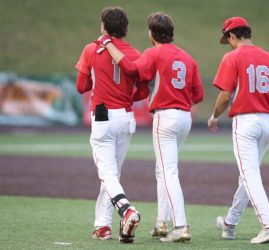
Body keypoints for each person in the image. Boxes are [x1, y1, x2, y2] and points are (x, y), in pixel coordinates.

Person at [98, 11, 204, 243]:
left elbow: (131, 69)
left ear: (152, 33)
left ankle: (181, 226)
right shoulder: (188, 58)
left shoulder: (154, 53)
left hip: (165, 116)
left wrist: (107, 44)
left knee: (168, 172)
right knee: (163, 170)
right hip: (184, 117)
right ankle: (161, 223)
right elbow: (199, 95)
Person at [207, 17, 269, 244]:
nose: (228, 43)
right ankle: (230, 223)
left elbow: (225, 95)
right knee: (247, 175)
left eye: (228, 38)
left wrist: (214, 117)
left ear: (232, 35)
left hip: (245, 122)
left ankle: (268, 225)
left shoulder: (232, 57)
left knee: (250, 175)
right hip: (265, 122)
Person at [75, 6, 148, 244]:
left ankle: (126, 210)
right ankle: (102, 225)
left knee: (106, 173)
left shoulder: (91, 49)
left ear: (104, 26)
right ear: (125, 28)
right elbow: (143, 88)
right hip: (126, 117)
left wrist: (98, 81)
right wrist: (127, 96)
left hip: (103, 117)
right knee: (111, 174)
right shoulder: (135, 53)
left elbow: (81, 86)